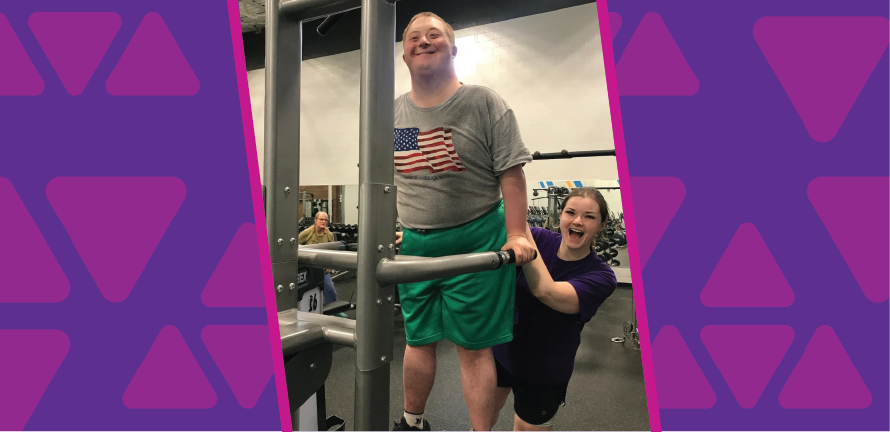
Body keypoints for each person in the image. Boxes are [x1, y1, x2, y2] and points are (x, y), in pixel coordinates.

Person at [392, 11, 536, 432]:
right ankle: (411, 422)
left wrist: (515, 234)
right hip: (416, 243)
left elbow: (512, 172)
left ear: (452, 48)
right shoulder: (394, 113)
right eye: (414, 37)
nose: (423, 41)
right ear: (403, 54)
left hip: (476, 237)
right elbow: (390, 179)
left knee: (474, 350)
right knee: (417, 340)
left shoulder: (482, 101)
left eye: (433, 34)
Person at [491, 187, 618, 431]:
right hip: (503, 350)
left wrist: (519, 225)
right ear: (560, 216)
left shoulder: (601, 276)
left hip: (544, 369)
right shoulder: (538, 238)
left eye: (589, 216)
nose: (578, 221)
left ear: (601, 225)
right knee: (483, 417)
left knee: (526, 428)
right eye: (571, 212)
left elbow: (546, 291)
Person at [298, 211, 339, 307]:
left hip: (322, 267)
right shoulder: (307, 233)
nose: (324, 221)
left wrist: (329, 265)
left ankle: (333, 309)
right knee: (308, 290)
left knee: (330, 290)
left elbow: (331, 251)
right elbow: (296, 246)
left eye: (325, 220)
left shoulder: (329, 234)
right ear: (315, 220)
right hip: (309, 267)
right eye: (321, 219)